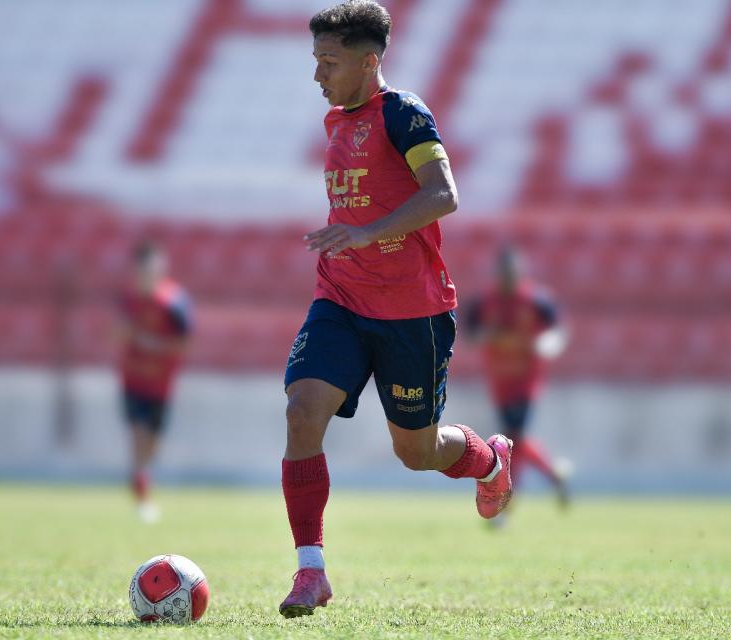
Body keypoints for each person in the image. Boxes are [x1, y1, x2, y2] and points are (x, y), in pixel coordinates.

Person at [279, 0, 513, 618]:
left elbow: (445, 194)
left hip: (412, 312)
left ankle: (489, 460)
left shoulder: (404, 115)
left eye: (329, 62)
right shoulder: (334, 121)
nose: (318, 75)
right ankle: (311, 570)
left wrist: (367, 230)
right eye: (315, 61)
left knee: (416, 452)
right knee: (303, 411)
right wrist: (350, 243)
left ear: (369, 61)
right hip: (340, 297)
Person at [464, 245, 569, 515]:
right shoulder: (484, 302)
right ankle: (554, 474)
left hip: (526, 379)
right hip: (499, 381)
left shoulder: (536, 301)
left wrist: (549, 344)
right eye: (504, 272)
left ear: (520, 272)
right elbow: (470, 333)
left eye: (513, 272)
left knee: (512, 438)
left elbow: (556, 332)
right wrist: (485, 336)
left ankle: (508, 501)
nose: (509, 277)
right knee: (516, 438)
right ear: (498, 273)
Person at [118, 242, 192, 523]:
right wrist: (124, 335)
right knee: (138, 433)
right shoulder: (128, 301)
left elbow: (184, 344)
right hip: (133, 379)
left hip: (162, 384)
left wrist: (153, 345)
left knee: (152, 443)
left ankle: (141, 476)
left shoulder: (174, 301)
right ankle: (142, 494)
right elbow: (115, 334)